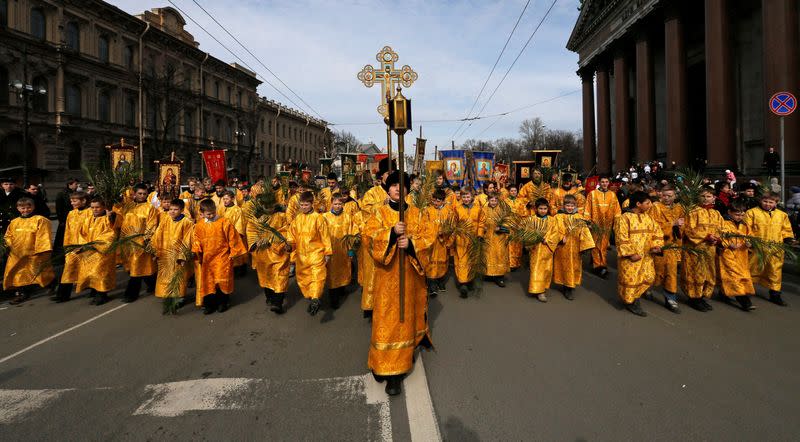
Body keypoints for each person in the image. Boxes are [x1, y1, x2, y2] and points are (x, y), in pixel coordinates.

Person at [363, 170, 433, 396]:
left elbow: (429, 238)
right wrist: (391, 233)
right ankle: (381, 363)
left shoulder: (418, 214)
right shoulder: (379, 214)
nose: (397, 189)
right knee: (385, 319)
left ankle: (397, 371)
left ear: (406, 189)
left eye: (401, 185)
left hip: (408, 277)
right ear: (388, 188)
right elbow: (369, 237)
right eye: (393, 185)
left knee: (404, 320)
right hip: (386, 277)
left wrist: (411, 244)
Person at [192, 199, 247, 314]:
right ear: (202, 213)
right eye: (208, 214)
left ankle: (223, 302)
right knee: (208, 281)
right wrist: (196, 250)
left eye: (213, 212)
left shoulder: (224, 222)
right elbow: (196, 240)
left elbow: (233, 237)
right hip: (207, 259)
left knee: (221, 280)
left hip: (222, 256)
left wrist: (233, 253)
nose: (211, 215)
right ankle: (209, 305)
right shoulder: (199, 225)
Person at [614, 191, 663, 317]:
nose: (650, 205)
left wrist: (656, 246)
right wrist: (630, 254)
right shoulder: (624, 218)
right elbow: (621, 238)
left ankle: (634, 297)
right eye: (647, 203)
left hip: (647, 256)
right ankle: (631, 302)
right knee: (631, 280)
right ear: (638, 204)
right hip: (631, 258)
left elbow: (657, 233)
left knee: (649, 277)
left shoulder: (648, 218)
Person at [286, 191, 333, 316]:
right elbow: (291, 236)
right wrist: (289, 246)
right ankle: (312, 297)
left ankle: (315, 299)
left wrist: (327, 253)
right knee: (303, 279)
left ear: (312, 204)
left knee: (317, 277)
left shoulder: (319, 218)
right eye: (301, 205)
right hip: (301, 256)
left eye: (306, 205)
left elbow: (325, 236)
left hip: (316, 254)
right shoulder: (297, 219)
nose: (303, 207)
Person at [744, 191, 795, 306]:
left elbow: (786, 229)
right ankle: (745, 292)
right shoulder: (752, 212)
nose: (767, 204)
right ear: (760, 201)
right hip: (757, 248)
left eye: (771, 202)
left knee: (775, 272)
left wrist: (788, 239)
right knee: (751, 269)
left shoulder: (782, 215)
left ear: (776, 203)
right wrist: (750, 242)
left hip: (775, 249)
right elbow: (746, 229)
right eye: (765, 201)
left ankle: (775, 294)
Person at [358, 158, 393, 317]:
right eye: (388, 173)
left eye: (393, 173)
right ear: (382, 176)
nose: (391, 176)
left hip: (392, 239)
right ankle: (371, 306)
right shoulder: (372, 193)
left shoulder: (400, 191)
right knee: (373, 274)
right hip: (375, 240)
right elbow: (365, 210)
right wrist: (382, 204)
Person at [3, 197, 54, 304]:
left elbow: (44, 236)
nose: (25, 210)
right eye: (22, 208)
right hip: (18, 254)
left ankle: (51, 284)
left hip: (34, 253)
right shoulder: (14, 222)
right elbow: (8, 236)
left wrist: (41, 250)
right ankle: (22, 293)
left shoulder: (40, 220)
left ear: (33, 207)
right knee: (18, 273)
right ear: (18, 208)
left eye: (28, 207)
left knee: (39, 271)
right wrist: (10, 246)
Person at [681, 187, 724, 312]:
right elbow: (688, 229)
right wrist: (706, 236)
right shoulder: (692, 211)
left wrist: (718, 239)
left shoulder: (716, 213)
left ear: (714, 198)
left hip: (710, 249)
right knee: (696, 272)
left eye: (709, 196)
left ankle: (702, 296)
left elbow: (722, 229)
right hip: (695, 248)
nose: (706, 199)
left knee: (709, 272)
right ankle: (694, 298)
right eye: (703, 196)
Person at [247, 195, 291, 314]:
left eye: (271, 206)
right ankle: (270, 297)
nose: (269, 209)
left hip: (279, 252)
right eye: (267, 206)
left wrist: (270, 238)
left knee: (279, 276)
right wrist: (256, 242)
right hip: (262, 253)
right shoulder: (255, 218)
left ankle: (278, 303)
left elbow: (287, 230)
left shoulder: (281, 216)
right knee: (266, 276)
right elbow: (251, 231)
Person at [74, 197, 118, 305]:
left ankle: (101, 294)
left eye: (98, 207)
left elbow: (110, 234)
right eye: (93, 207)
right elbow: (81, 233)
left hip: (102, 251)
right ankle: (94, 290)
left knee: (100, 272)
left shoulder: (107, 219)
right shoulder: (88, 219)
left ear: (103, 207)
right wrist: (84, 245)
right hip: (88, 250)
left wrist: (95, 245)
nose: (95, 209)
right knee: (90, 272)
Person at [120, 183, 159, 303]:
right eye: (140, 193)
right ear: (134, 194)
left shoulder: (150, 208)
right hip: (127, 242)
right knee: (143, 268)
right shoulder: (128, 206)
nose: (142, 196)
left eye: (144, 194)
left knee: (136, 268)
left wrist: (146, 239)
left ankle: (131, 294)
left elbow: (151, 224)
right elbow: (120, 221)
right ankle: (153, 284)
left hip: (140, 242)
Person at [551, 194, 595, 300]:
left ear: (575, 206)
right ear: (563, 206)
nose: (570, 208)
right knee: (564, 266)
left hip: (575, 247)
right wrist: (561, 238)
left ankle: (569, 285)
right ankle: (566, 287)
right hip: (563, 248)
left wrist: (586, 246)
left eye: (572, 206)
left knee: (574, 266)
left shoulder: (579, 217)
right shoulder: (558, 217)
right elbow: (554, 230)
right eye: (567, 205)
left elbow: (584, 231)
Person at [648, 185, 684, 313]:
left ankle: (670, 298)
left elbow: (683, 226)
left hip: (673, 245)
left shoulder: (679, 208)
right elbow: (652, 225)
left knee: (671, 272)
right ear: (660, 195)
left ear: (675, 196)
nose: (667, 198)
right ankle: (646, 288)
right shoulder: (655, 207)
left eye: (670, 195)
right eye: (665, 195)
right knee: (655, 270)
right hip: (659, 244)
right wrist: (672, 224)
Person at [152, 198, 195, 305]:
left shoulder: (187, 222)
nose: (172, 211)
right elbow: (158, 235)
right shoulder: (166, 219)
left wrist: (183, 256)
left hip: (178, 256)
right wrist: (155, 250)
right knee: (165, 276)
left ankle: (179, 297)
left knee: (178, 277)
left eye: (175, 209)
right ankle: (167, 294)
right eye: (171, 209)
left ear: (181, 210)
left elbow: (188, 240)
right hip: (165, 254)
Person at [52, 191, 90, 302]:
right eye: (71, 201)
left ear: (83, 201)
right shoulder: (71, 213)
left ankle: (96, 291)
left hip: (84, 246)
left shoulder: (90, 212)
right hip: (72, 247)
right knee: (68, 269)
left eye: (75, 200)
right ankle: (62, 294)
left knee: (88, 269)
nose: (72, 203)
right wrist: (67, 246)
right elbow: (68, 231)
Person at [323, 193, 358, 309]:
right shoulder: (325, 217)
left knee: (343, 272)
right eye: (335, 204)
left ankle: (342, 288)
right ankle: (334, 299)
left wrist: (351, 250)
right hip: (330, 251)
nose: (337, 206)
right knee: (332, 275)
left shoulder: (348, 217)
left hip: (344, 251)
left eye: (339, 204)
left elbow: (352, 233)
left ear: (342, 204)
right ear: (331, 204)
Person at [718, 203, 756, 311]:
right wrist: (728, 244)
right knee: (733, 276)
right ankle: (744, 301)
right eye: (737, 214)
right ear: (730, 212)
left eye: (742, 215)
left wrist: (750, 243)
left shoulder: (745, 225)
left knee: (741, 275)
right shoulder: (724, 223)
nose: (740, 217)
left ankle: (723, 292)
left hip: (742, 255)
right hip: (728, 254)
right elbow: (719, 235)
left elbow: (750, 236)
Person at [583, 175, 621, 278]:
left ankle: (602, 264)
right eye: (603, 182)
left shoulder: (612, 195)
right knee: (596, 245)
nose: (605, 183)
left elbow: (617, 210)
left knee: (604, 245)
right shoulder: (593, 194)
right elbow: (587, 208)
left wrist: (618, 222)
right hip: (595, 224)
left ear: (609, 183)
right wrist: (588, 221)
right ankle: (598, 266)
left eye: (606, 181)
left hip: (607, 225)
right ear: (599, 183)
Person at [453, 186, 485, 298]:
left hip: (474, 239)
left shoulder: (478, 208)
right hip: (461, 239)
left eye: (468, 196)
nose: (466, 199)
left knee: (472, 260)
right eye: (464, 196)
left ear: (472, 197)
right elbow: (454, 224)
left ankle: (470, 280)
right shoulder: (457, 209)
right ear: (461, 197)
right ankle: (463, 284)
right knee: (462, 260)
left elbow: (481, 223)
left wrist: (480, 235)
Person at [527, 198, 558, 302]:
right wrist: (535, 238)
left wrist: (548, 240)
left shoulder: (552, 220)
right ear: (536, 209)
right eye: (540, 208)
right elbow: (527, 232)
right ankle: (539, 291)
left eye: (545, 208)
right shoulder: (531, 219)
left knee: (546, 270)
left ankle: (542, 289)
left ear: (548, 209)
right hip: (535, 250)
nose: (543, 210)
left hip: (547, 250)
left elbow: (556, 233)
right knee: (535, 269)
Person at [423, 189, 452, 297]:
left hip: (442, 242)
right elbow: (425, 225)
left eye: (438, 201)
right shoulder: (427, 210)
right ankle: (432, 285)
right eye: (434, 201)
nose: (435, 203)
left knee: (442, 261)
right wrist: (435, 231)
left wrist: (444, 232)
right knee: (431, 263)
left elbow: (451, 225)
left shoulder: (448, 211)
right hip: (431, 242)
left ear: (443, 201)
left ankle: (441, 281)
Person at [483, 193, 510, 287]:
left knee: (499, 255)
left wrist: (501, 227)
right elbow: (480, 221)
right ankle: (488, 274)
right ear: (488, 200)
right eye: (491, 200)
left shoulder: (503, 210)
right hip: (487, 236)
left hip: (499, 237)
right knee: (488, 255)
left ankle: (499, 277)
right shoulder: (484, 209)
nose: (493, 202)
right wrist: (484, 228)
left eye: (495, 200)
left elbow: (508, 222)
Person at [220, 191, 248, 276]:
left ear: (232, 199)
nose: (225, 201)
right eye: (224, 199)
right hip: (225, 236)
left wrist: (235, 236)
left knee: (238, 255)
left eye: (227, 199)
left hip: (235, 236)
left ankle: (241, 270)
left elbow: (239, 225)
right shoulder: (222, 209)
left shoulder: (237, 210)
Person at [54, 179, 80, 258]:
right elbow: (59, 208)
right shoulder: (62, 193)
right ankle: (59, 253)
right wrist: (61, 220)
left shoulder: (74, 193)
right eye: (76, 184)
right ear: (70, 184)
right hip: (65, 218)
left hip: (74, 217)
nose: (77, 185)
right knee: (61, 236)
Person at [504, 184, 525, 271]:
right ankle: (508, 263)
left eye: (515, 191)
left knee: (517, 245)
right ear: (509, 192)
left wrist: (522, 225)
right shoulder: (505, 201)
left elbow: (524, 214)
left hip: (518, 226)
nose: (513, 192)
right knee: (508, 245)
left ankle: (516, 263)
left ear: (517, 192)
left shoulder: (520, 202)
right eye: (512, 191)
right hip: (508, 226)